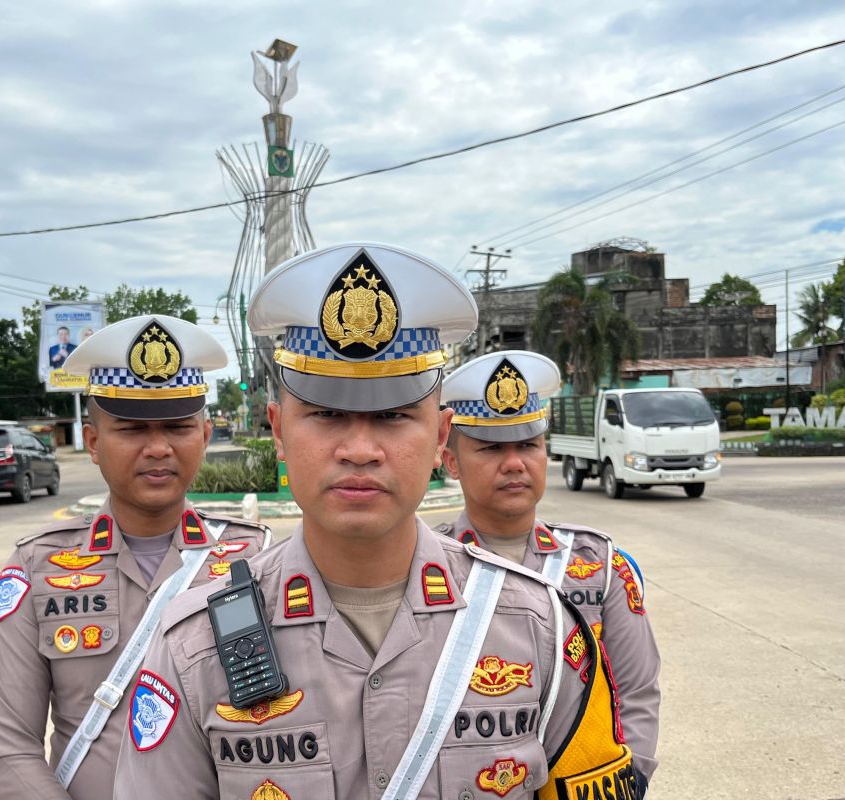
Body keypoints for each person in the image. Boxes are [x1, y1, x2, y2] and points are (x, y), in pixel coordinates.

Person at [114, 243, 642, 799]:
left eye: (392, 415)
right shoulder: (191, 647)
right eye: (327, 413)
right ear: (278, 430)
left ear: (441, 437)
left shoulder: (539, 628)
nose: (360, 449)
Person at [0, 315, 272, 800]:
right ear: (93, 442)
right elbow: (7, 751)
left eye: (177, 426)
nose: (158, 447)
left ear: (205, 434)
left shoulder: (253, 561)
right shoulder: (36, 571)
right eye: (132, 429)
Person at [435, 349, 661, 783]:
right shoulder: (426, 565)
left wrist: (631, 782)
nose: (515, 463)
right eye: (492, 448)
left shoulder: (599, 567)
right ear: (452, 461)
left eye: (528, 445)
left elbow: (636, 692)